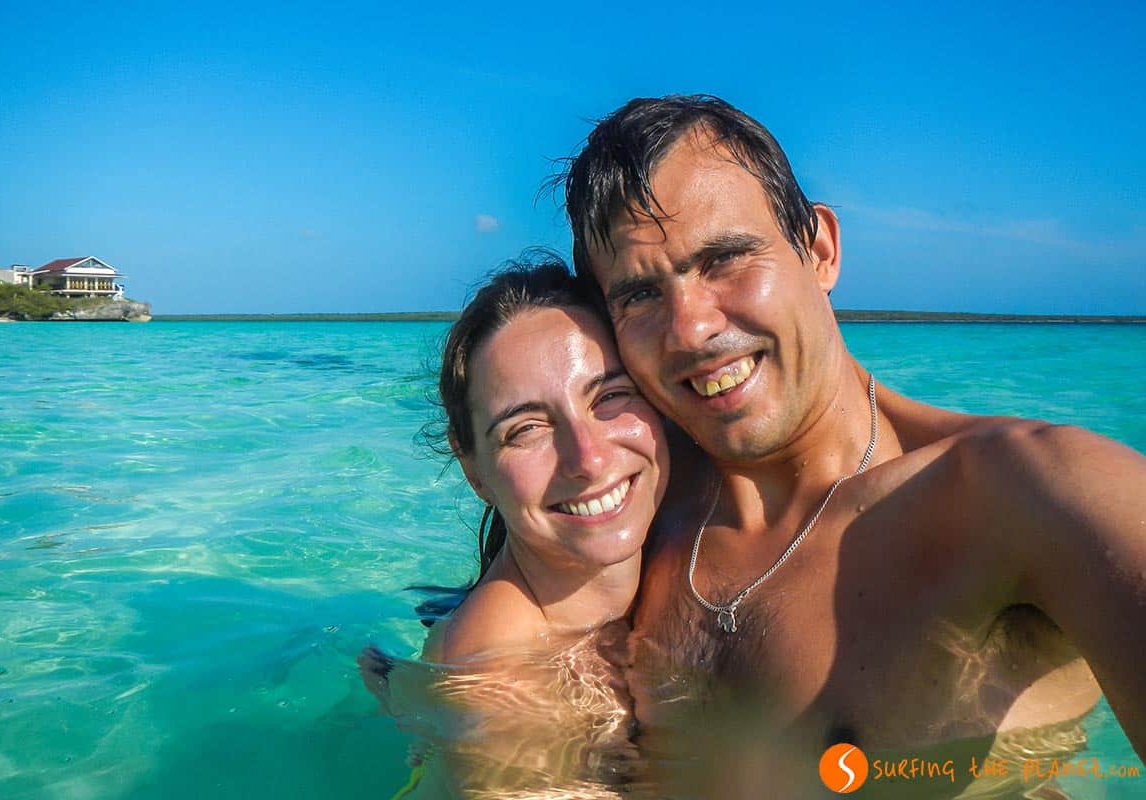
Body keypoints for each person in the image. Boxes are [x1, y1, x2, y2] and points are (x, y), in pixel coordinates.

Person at [560, 94, 1146, 797]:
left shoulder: (1020, 492)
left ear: (820, 249)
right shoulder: (627, 505)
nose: (689, 329)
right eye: (639, 295)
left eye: (725, 258)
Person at [360, 257, 670, 799]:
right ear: (473, 468)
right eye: (526, 428)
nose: (589, 459)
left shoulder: (692, 526)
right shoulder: (508, 696)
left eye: (610, 396)